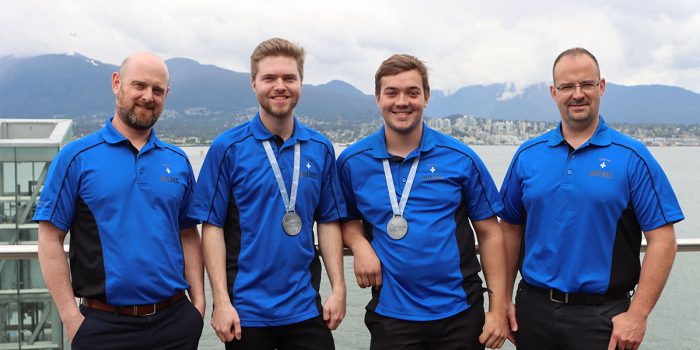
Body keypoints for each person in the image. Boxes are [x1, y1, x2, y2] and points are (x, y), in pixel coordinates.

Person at [499, 47, 684, 350]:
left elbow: (663, 240)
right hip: (534, 311)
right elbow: (509, 229)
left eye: (586, 84)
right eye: (567, 86)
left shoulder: (632, 157)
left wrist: (637, 314)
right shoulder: (528, 155)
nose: (577, 94)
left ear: (602, 87)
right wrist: (503, 299)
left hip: (604, 318)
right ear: (553, 92)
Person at [337, 54, 509, 350]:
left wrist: (497, 309)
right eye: (391, 92)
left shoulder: (461, 158)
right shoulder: (352, 162)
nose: (401, 101)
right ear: (378, 98)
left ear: (426, 97)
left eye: (412, 92)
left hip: (460, 313)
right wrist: (359, 243)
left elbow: (490, 233)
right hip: (391, 315)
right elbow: (346, 219)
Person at [35, 52, 205, 349]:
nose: (148, 97)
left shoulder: (177, 161)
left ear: (166, 94)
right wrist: (70, 318)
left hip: (175, 322)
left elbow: (188, 233)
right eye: (139, 85)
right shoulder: (76, 157)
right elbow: (49, 239)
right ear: (117, 83)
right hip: (104, 327)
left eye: (158, 90)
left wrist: (199, 305)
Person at [188, 38, 347, 350]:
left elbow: (328, 222)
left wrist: (339, 288)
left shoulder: (320, 148)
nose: (280, 86)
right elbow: (212, 227)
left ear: (301, 82)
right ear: (253, 83)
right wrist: (221, 301)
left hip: (305, 309)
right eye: (269, 78)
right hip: (247, 314)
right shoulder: (228, 148)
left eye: (289, 78)